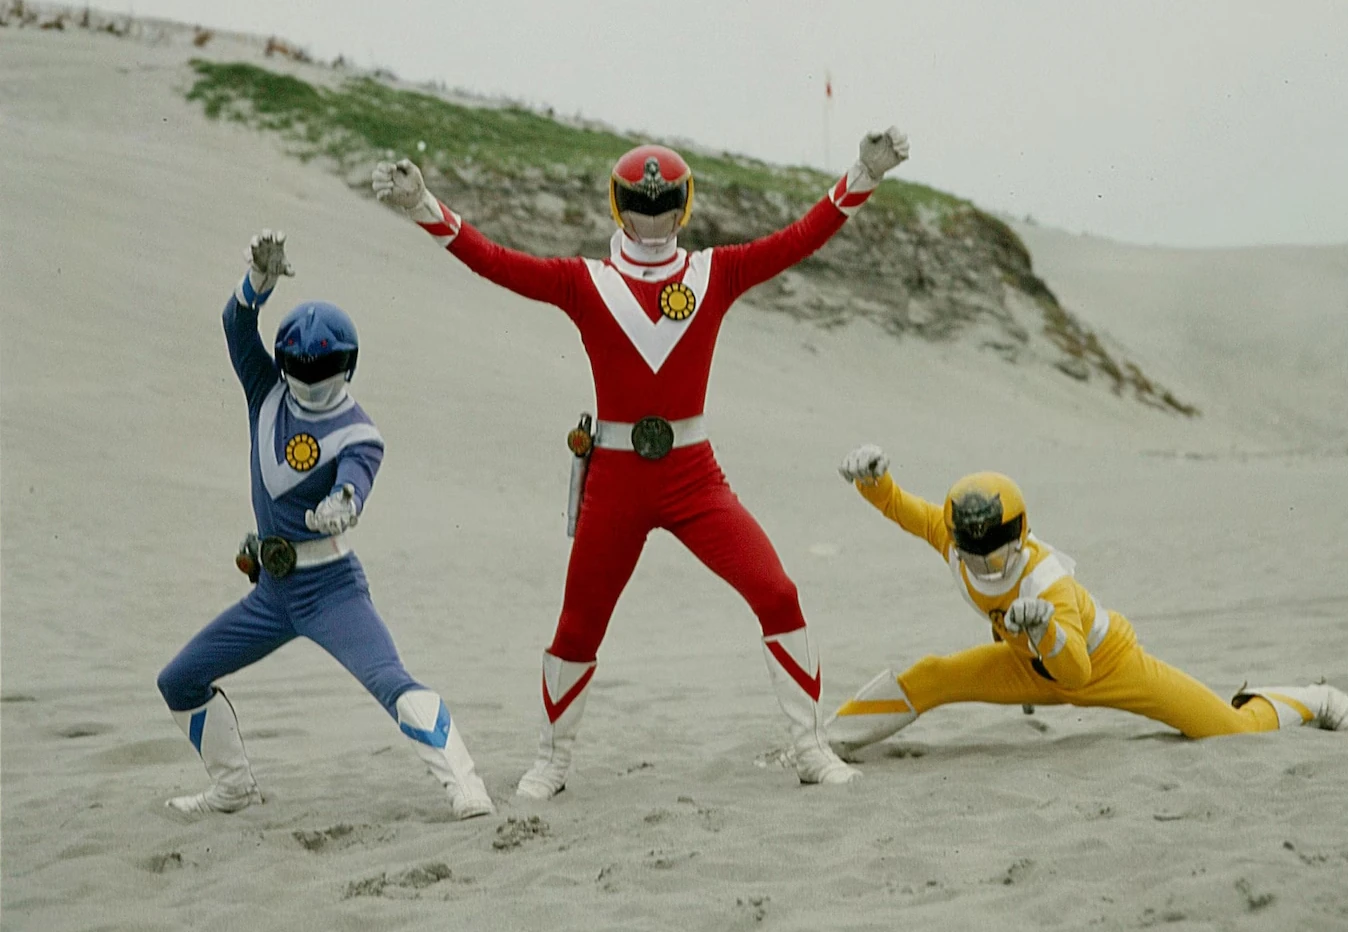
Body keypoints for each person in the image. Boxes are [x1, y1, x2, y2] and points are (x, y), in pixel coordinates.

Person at [372, 128, 909, 797]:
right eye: (638, 203)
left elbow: (800, 238)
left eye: (662, 204)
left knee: (777, 594)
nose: (651, 215)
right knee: (577, 627)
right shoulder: (584, 282)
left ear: (682, 207)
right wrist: (424, 206)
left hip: (693, 475)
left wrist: (863, 174)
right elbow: (497, 262)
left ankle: (809, 747)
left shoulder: (715, 272)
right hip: (616, 481)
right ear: (617, 206)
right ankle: (553, 761)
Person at [156, 231, 495, 820]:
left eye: (325, 365)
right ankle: (233, 789)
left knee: (390, 681)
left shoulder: (359, 432)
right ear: (284, 364)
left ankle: (466, 787)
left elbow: (357, 478)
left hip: (330, 589)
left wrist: (345, 501)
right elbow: (236, 328)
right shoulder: (266, 394)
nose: (312, 375)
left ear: (349, 366)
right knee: (180, 680)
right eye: (300, 365)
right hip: (272, 592)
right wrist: (256, 285)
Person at [825, 444, 1348, 755]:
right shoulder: (955, 544)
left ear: (1021, 534)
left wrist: (1044, 629)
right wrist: (874, 481)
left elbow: (1077, 674)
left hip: (1106, 665)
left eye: (997, 555)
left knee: (1230, 731)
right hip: (1025, 666)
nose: (986, 567)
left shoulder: (1047, 581)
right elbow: (904, 509)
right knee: (932, 676)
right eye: (973, 557)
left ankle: (1314, 699)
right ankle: (827, 742)